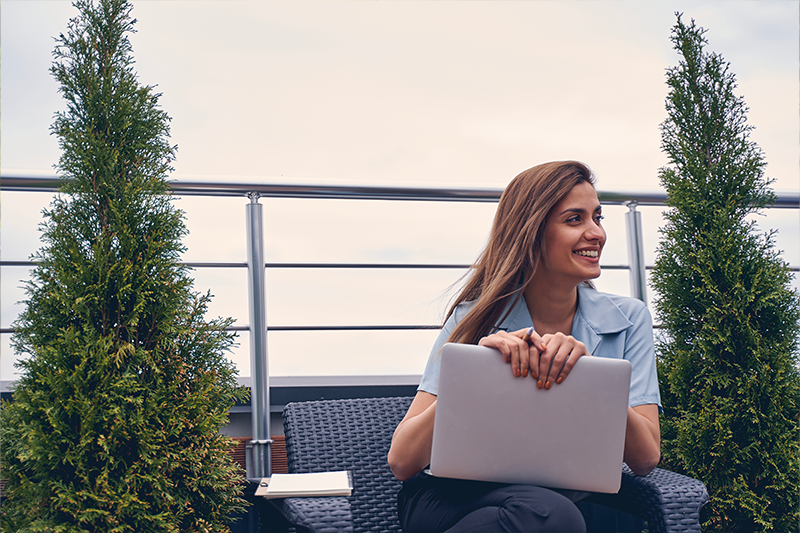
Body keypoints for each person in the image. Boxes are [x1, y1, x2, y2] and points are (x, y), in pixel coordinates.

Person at [387, 161, 662, 533]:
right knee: (552, 514)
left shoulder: (629, 320)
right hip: (452, 499)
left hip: (548, 509)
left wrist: (587, 376)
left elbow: (645, 458)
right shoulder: (476, 319)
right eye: (574, 220)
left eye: (598, 217)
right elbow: (403, 461)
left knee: (552, 513)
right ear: (532, 232)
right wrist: (479, 374)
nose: (596, 233)